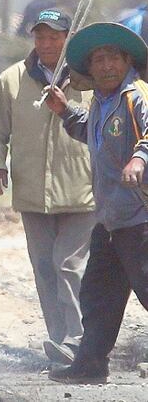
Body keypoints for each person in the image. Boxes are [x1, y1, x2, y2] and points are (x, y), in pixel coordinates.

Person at [0, 9, 94, 366]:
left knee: (69, 265)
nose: (46, 43)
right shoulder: (12, 80)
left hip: (82, 192)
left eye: (54, 37)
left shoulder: (88, 80)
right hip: (32, 195)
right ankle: (60, 341)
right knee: (44, 267)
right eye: (40, 37)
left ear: (67, 39)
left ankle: (79, 339)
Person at [44, 22, 148, 384]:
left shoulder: (136, 96)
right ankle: (90, 365)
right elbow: (90, 131)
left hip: (141, 218)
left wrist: (140, 159)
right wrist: (63, 110)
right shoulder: (102, 102)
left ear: (127, 61)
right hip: (110, 220)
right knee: (98, 295)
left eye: (113, 58)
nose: (106, 66)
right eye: (99, 59)